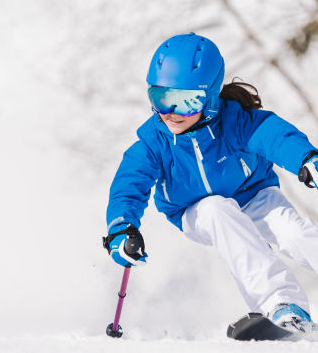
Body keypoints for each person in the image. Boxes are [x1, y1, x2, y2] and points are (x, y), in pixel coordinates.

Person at [103, 32, 318, 333]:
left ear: (211, 97)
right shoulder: (154, 141)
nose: (171, 114)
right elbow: (129, 183)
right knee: (217, 210)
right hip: (195, 211)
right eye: (161, 99)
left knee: (293, 232)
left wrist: (305, 159)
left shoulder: (235, 122)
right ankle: (282, 304)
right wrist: (121, 227)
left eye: (187, 102)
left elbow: (274, 135)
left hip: (253, 194)